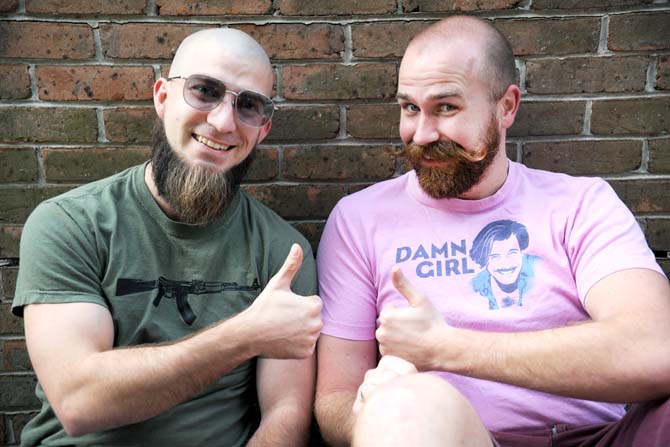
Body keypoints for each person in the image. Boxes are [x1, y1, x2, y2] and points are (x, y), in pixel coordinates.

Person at [314, 16, 670, 447]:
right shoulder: (359, 219)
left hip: (602, 437)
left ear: (507, 107)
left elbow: (656, 349)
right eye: (410, 108)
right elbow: (335, 398)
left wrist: (445, 348)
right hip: (449, 436)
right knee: (405, 403)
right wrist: (378, 417)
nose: (421, 134)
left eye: (446, 107)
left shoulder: (580, 204)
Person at [12, 28, 322, 447]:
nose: (223, 121)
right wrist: (244, 335)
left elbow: (286, 416)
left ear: (262, 130)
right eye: (204, 91)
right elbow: (81, 402)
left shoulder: (283, 252)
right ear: (162, 97)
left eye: (248, 105)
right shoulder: (69, 224)